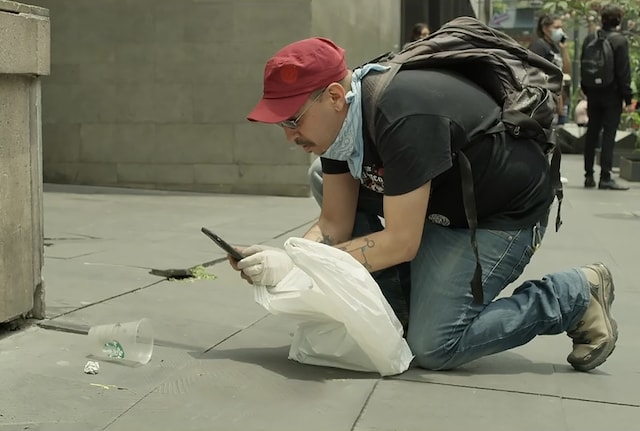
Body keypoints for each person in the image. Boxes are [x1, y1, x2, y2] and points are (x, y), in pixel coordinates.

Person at [231, 37, 618, 372]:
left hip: (498, 215)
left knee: (434, 346)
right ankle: (402, 306)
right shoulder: (341, 126)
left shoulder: (403, 114)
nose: (289, 136)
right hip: (439, 202)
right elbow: (334, 223)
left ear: (334, 95)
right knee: (322, 174)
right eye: (280, 124)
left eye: (293, 120)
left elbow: (401, 242)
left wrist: (300, 269)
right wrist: (286, 258)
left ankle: (574, 294)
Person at [581, 4, 634, 190]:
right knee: (609, 135)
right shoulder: (620, 41)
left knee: (592, 132)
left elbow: (583, 65)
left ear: (602, 19)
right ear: (618, 20)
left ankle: (588, 176)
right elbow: (623, 72)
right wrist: (628, 98)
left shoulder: (589, 37)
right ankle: (605, 177)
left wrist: (587, 90)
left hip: (593, 93)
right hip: (612, 94)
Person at [528, 14, 572, 124]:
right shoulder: (539, 46)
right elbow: (536, 74)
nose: (560, 30)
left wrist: (564, 50)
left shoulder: (555, 48)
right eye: (556, 27)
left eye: (561, 27)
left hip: (561, 100)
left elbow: (566, 71)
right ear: (545, 28)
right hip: (548, 102)